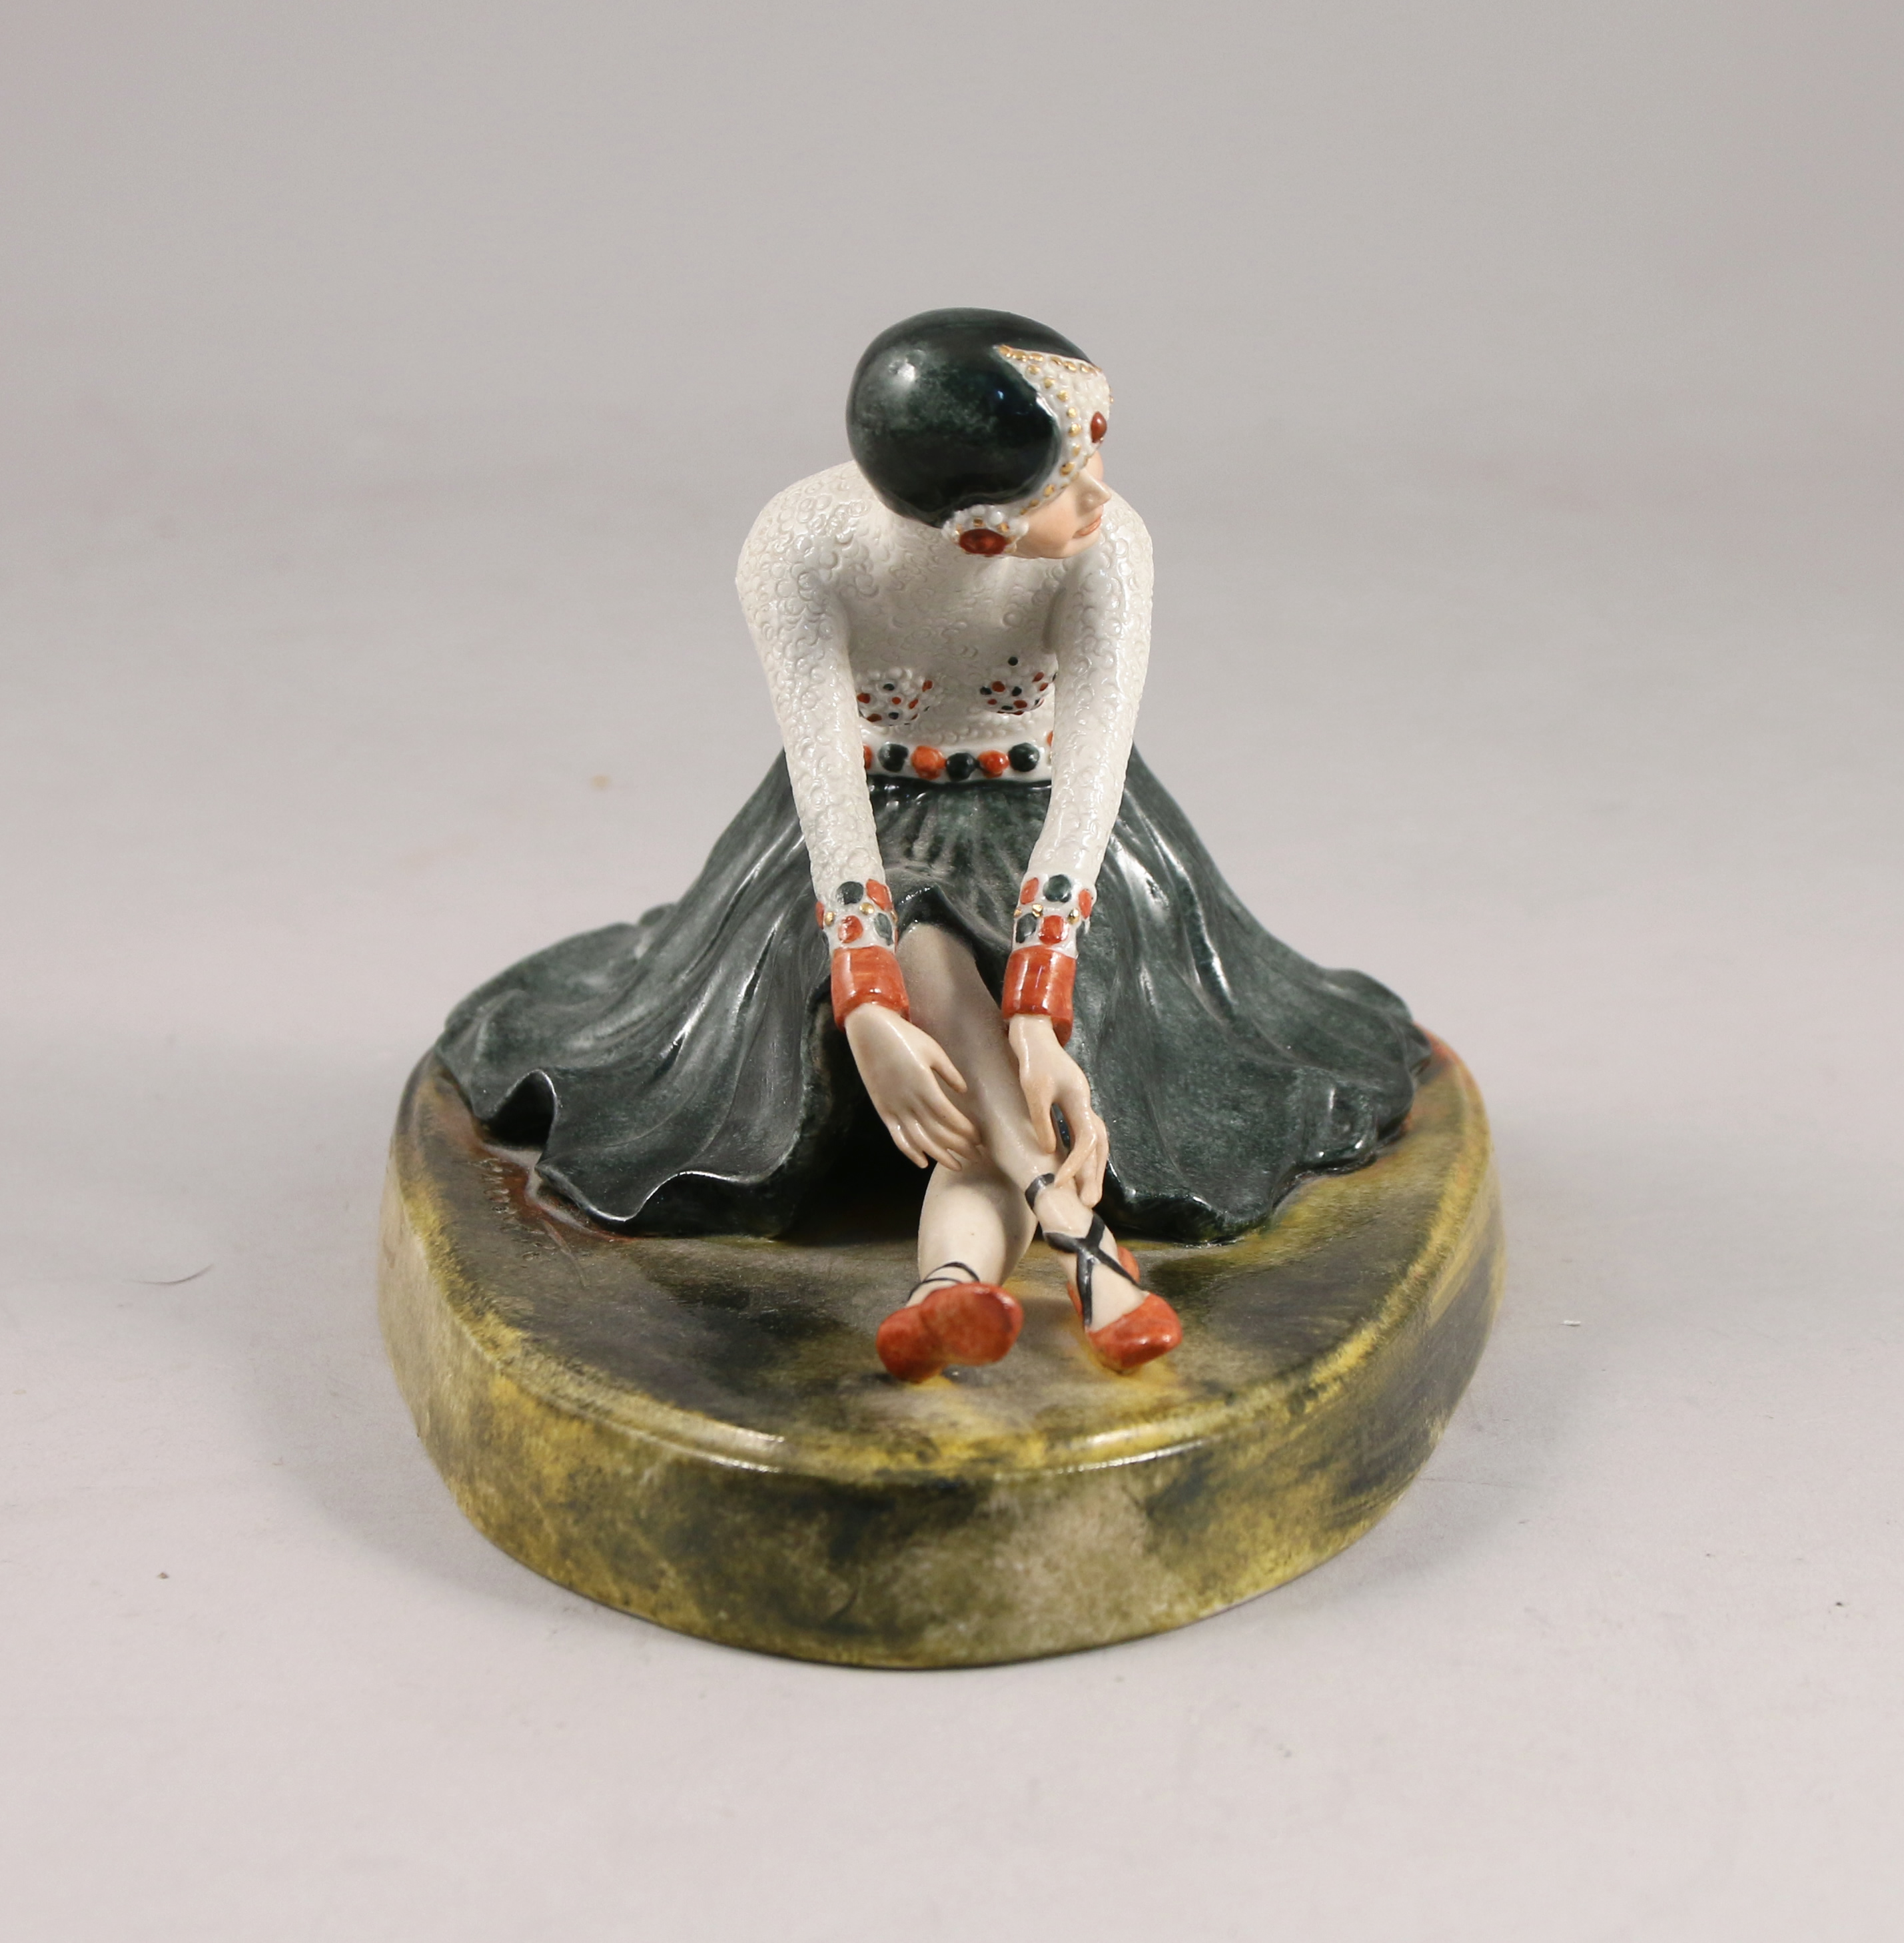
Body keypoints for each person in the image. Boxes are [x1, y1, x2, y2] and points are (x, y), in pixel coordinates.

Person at [438, 308, 1428, 1383]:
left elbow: (1092, 774)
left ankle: (954, 1280)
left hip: (1048, 824)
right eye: (1062, 483)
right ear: (976, 533)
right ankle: (1077, 1243)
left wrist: (1041, 1003)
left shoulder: (1110, 548)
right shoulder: (802, 544)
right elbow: (826, 777)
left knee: (975, 1016)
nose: (1099, 497)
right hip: (858, 826)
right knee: (923, 934)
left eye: (1093, 457)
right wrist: (863, 1001)